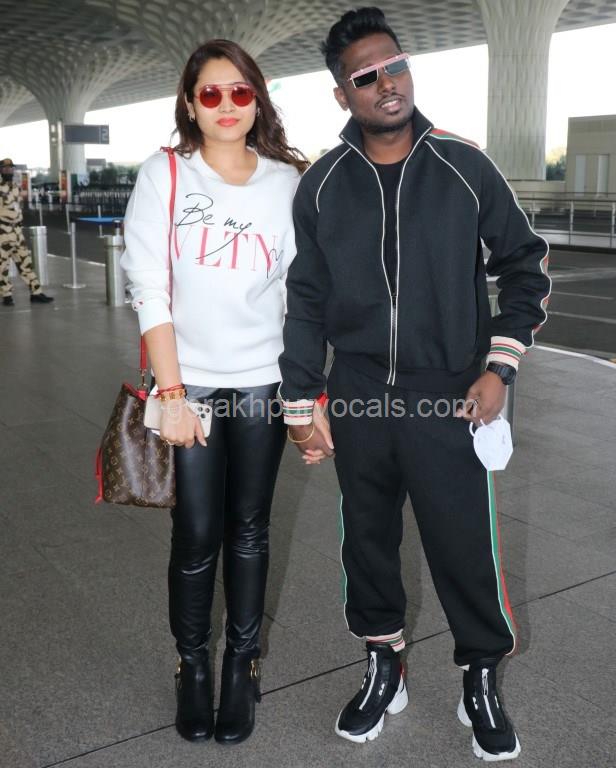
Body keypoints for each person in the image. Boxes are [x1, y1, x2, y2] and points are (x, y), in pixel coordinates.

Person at [279, 7, 550, 762]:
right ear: (343, 94)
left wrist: (499, 366)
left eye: (393, 65)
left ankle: (480, 676)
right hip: (359, 393)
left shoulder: (464, 165)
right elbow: (305, 299)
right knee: (367, 541)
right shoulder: (323, 186)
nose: (386, 83)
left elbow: (525, 266)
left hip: (450, 394)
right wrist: (301, 401)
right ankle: (383, 666)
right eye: (365, 76)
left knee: (463, 543)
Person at [121, 39, 307, 745]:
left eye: (240, 91)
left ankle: (241, 665)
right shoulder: (165, 173)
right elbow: (149, 287)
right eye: (211, 93)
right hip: (190, 382)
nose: (227, 105)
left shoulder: (287, 182)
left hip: (263, 380)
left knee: (251, 529)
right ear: (190, 104)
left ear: (257, 99)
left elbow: (299, 294)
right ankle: (192, 665)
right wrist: (170, 393)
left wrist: (306, 397)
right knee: (197, 532)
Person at [0, 158, 54, 306]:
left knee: (26, 263)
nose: (8, 170)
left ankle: (36, 293)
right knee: (2, 266)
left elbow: (17, 206)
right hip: (3, 232)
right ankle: (7, 295)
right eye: (5, 168)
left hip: (17, 232)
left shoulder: (15, 187)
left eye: (10, 168)